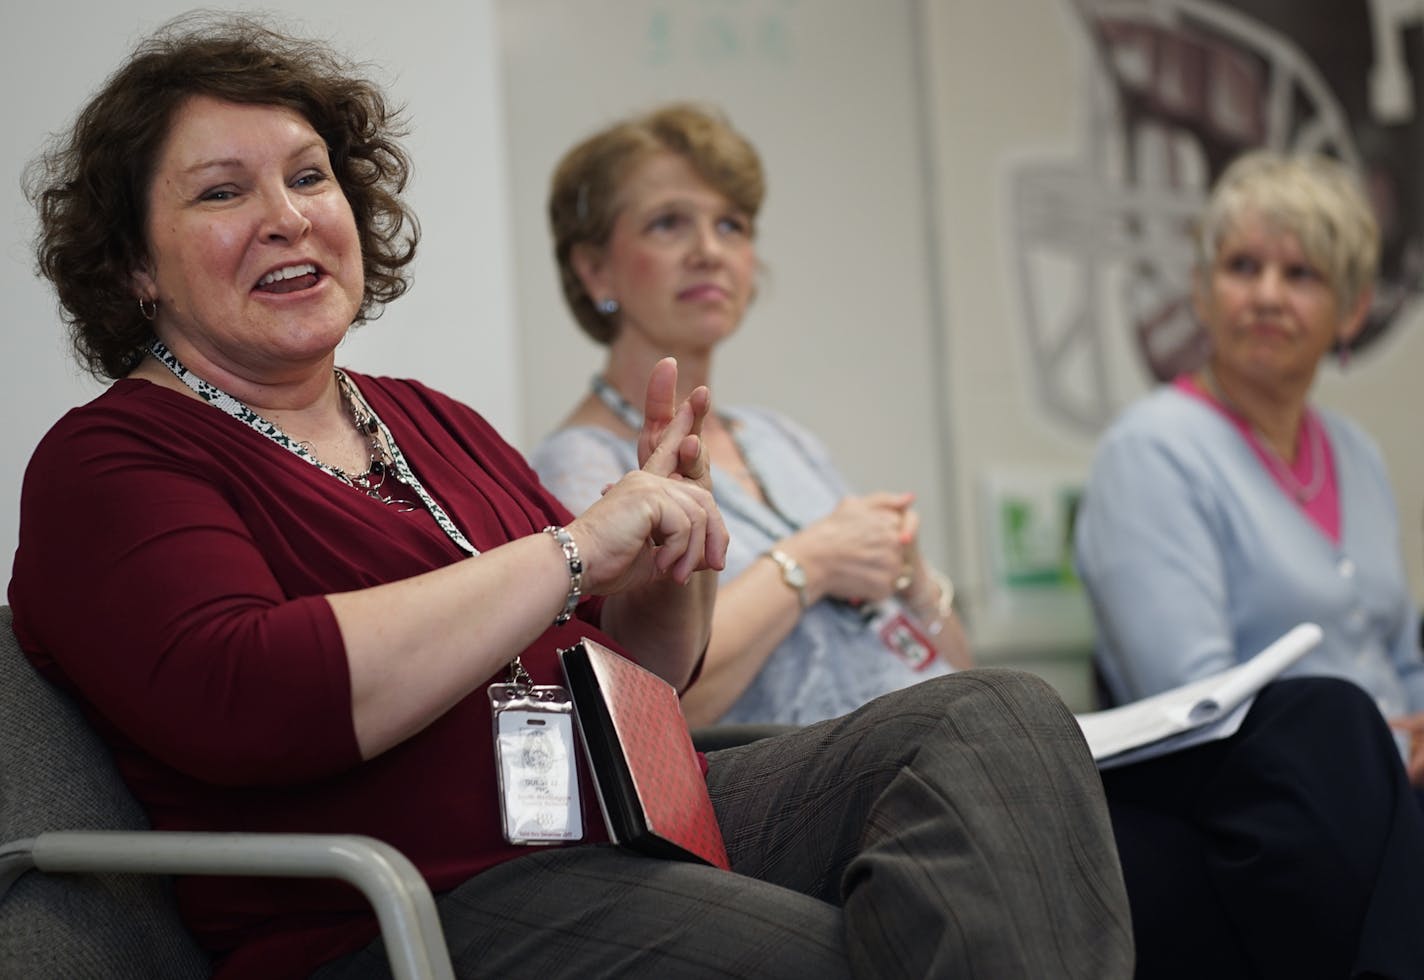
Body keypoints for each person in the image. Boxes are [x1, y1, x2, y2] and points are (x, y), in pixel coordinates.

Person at [8, 16, 1136, 980]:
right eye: (222, 192)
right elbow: (249, 693)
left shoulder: (425, 416)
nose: (290, 215)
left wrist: (661, 571)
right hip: (408, 910)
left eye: (309, 177)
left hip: (632, 820)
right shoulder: (111, 461)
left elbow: (634, 669)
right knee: (838, 947)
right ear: (132, 266)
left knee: (992, 719)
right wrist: (575, 546)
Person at [531, 103, 1424, 978]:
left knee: (1318, 766)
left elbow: (950, 663)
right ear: (594, 266)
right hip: (835, 788)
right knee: (1318, 752)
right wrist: (808, 566)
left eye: (730, 222)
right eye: (668, 222)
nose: (709, 248)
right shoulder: (584, 464)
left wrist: (920, 585)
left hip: (964, 753)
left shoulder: (785, 444)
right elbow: (645, 702)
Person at [1073, 150, 1424, 780]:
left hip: (1394, 800)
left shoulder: (1357, 453)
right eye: (1242, 267)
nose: (1267, 295)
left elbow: (1401, 656)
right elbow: (1195, 706)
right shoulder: (1151, 452)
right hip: (1259, 821)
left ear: (1351, 310)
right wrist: (1395, 758)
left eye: (1300, 274)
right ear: (1202, 293)